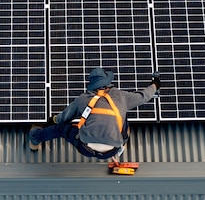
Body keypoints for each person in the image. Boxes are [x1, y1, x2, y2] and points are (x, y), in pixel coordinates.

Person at [28, 68, 161, 159]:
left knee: (61, 130)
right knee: (123, 118)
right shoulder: (121, 96)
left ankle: (35, 138)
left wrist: (53, 120)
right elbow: (144, 96)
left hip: (86, 148)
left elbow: (64, 118)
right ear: (107, 83)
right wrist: (155, 85)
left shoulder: (83, 99)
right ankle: (122, 146)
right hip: (111, 150)